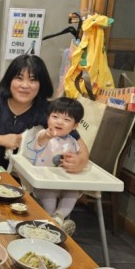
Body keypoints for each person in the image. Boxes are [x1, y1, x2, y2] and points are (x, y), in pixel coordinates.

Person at [0, 54, 89, 172]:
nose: (25, 85)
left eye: (33, 80)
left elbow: (78, 142)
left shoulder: (49, 110)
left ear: (41, 84)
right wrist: (2, 140)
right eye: (19, 78)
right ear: (9, 80)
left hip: (29, 178)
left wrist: (81, 161)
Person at [27, 97, 85, 235]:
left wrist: (75, 160)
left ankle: (58, 219)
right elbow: (40, 141)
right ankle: (53, 221)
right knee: (50, 198)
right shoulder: (44, 135)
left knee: (73, 193)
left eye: (66, 119)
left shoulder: (73, 141)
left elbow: (78, 157)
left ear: (75, 126)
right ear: (48, 119)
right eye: (55, 117)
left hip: (64, 182)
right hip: (44, 183)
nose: (59, 121)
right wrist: (47, 135)